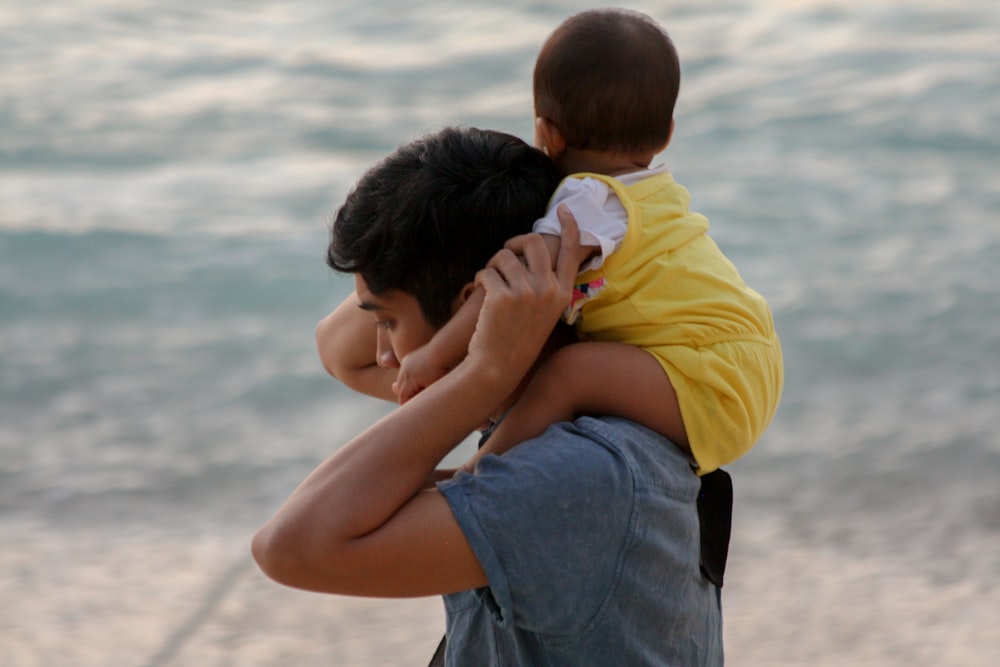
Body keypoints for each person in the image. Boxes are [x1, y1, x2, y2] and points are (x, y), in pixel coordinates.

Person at [253, 126, 724, 665]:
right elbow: (336, 349)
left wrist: (485, 368)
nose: (383, 356)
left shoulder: (586, 473)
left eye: (387, 322)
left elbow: (289, 548)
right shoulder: (553, 420)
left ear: (472, 302)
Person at [393, 8, 783, 478]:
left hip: (707, 374)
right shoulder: (652, 190)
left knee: (569, 372)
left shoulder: (585, 197)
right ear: (666, 135)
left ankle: (477, 472)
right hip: (746, 361)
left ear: (547, 134)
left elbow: (517, 282)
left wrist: (432, 356)